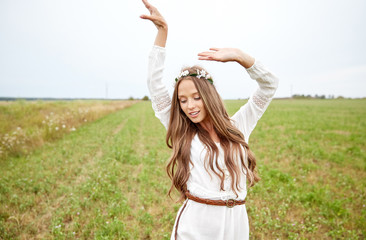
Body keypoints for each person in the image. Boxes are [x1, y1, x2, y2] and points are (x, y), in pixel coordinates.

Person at [140, 0, 279, 239]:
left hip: (236, 223)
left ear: (209, 97)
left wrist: (239, 56)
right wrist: (163, 33)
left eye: (196, 97)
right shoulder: (183, 132)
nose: (190, 106)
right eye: (183, 100)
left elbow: (269, 85)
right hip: (198, 223)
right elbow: (155, 85)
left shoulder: (238, 126)